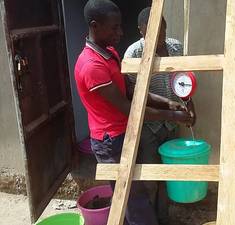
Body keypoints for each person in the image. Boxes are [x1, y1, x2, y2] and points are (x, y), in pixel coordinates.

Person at [75, 1, 194, 224]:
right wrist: (172, 115)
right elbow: (128, 107)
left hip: (125, 132)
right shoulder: (92, 65)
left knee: (134, 194)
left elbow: (132, 92)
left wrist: (169, 104)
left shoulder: (108, 53)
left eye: (120, 26)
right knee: (133, 198)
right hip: (110, 140)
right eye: (114, 28)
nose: (120, 33)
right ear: (95, 26)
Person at [124, 7, 196, 225]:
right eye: (152, 33)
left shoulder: (176, 48)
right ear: (141, 31)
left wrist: (190, 106)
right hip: (149, 126)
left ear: (165, 27)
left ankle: (164, 218)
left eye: (162, 31)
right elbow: (135, 94)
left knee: (167, 174)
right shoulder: (133, 54)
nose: (159, 38)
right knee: (150, 179)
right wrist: (170, 109)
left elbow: (185, 82)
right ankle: (150, 220)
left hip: (172, 125)